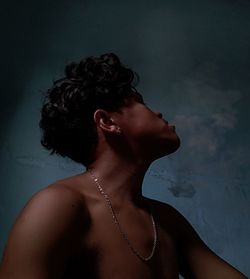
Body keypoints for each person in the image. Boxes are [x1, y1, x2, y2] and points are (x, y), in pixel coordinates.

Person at [0, 53, 247, 279]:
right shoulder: (58, 205)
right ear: (107, 122)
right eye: (139, 102)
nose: (158, 112)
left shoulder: (166, 219)